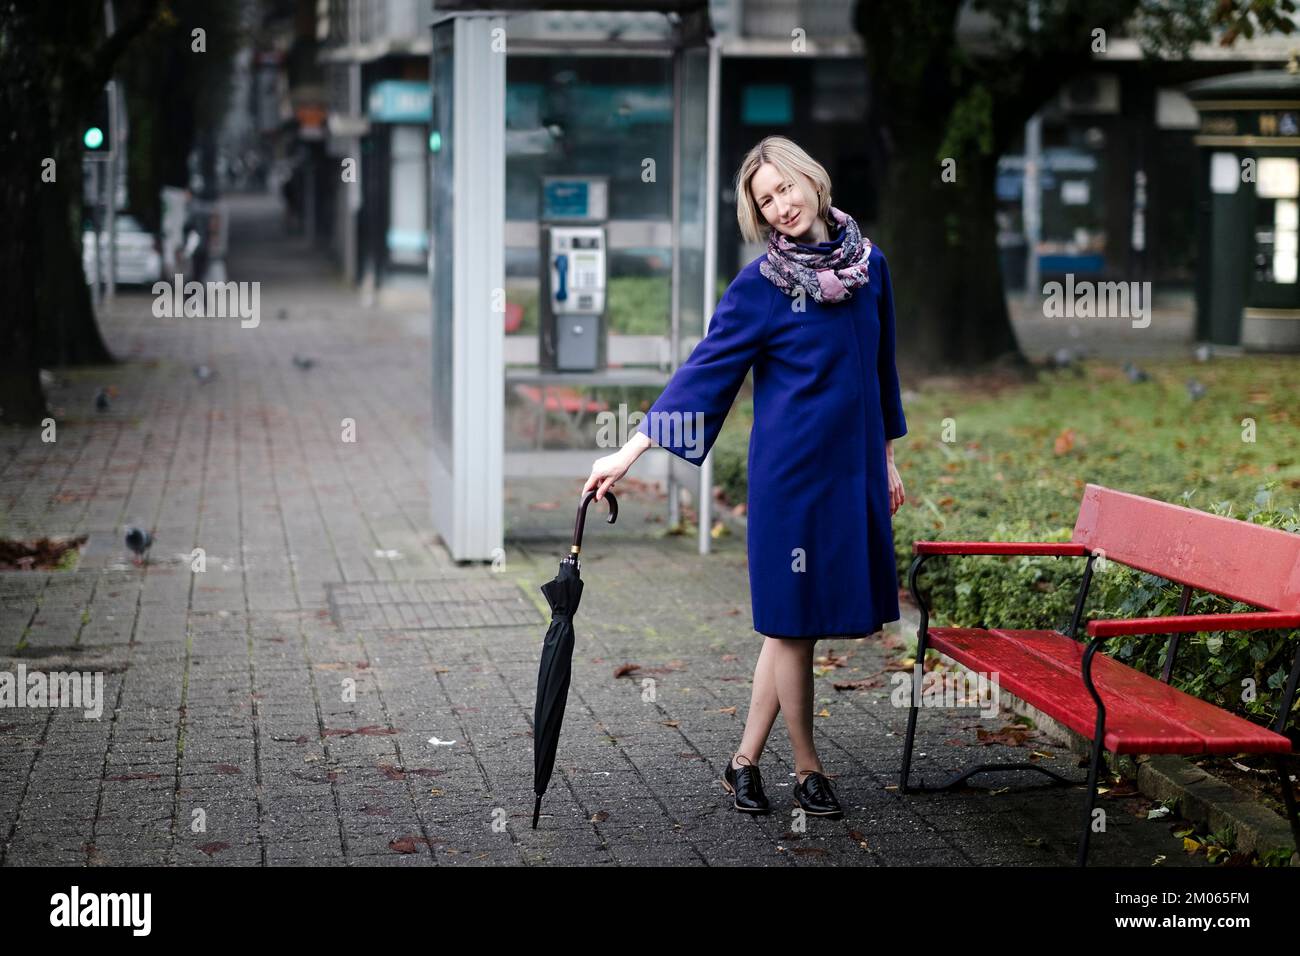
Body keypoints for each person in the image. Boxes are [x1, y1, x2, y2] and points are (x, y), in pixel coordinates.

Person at [582, 135, 907, 821]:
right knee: (792, 624)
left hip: (849, 469)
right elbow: (704, 375)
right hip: (791, 477)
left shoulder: (870, 266)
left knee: (793, 626)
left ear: (812, 182)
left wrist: (885, 459)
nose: (781, 205)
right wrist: (629, 452)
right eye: (766, 200)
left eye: (786, 188)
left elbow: (881, 372)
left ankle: (742, 762)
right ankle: (810, 767)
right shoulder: (762, 286)